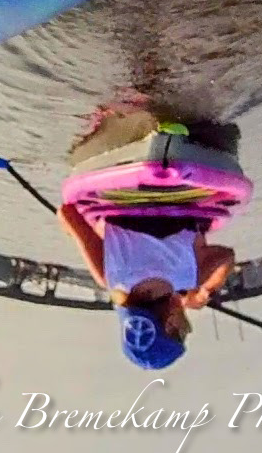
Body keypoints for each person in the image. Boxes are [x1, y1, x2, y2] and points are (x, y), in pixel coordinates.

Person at [56, 108, 239, 370]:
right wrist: (84, 230)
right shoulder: (110, 278)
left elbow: (227, 257)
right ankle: (134, 130)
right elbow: (67, 214)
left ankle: (178, 140)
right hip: (125, 193)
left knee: (225, 133)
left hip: (183, 195)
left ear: (171, 324)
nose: (187, 328)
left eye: (183, 332)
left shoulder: (190, 277)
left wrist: (204, 292)